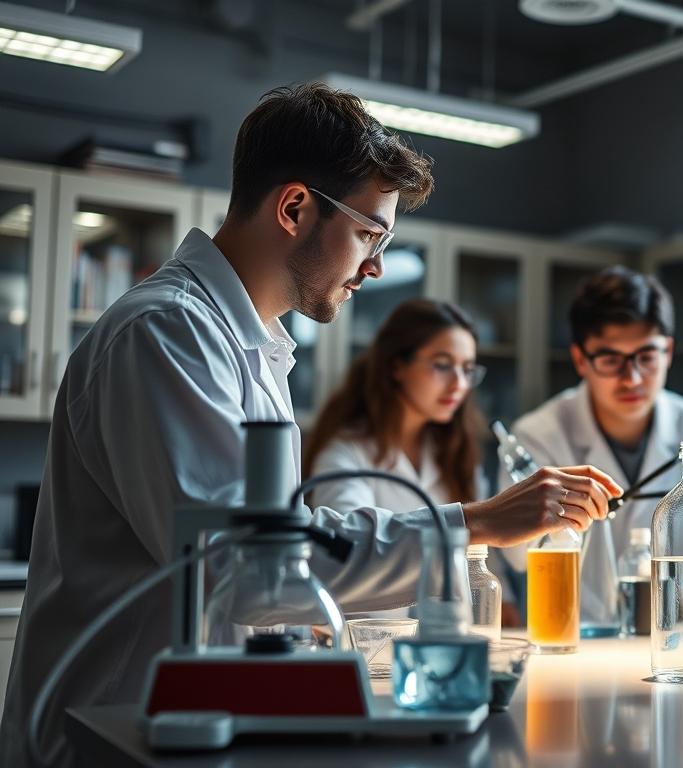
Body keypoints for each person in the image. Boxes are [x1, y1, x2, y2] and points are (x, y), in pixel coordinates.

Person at [1, 83, 620, 766]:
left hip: (192, 730)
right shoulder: (166, 333)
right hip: (109, 739)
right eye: (369, 234)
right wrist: (473, 524)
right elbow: (246, 568)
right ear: (295, 207)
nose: (375, 266)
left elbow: (265, 573)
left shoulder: (250, 345)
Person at [502, 266, 683, 622]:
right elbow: (518, 555)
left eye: (646, 357)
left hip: (682, 628)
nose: (631, 378)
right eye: (611, 360)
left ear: (668, 351)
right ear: (580, 360)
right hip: (576, 627)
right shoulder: (539, 434)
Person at [304, 298, 518, 623]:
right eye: (442, 365)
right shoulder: (346, 453)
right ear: (397, 366)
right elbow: (349, 553)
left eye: (467, 369)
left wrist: (504, 606)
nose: (459, 384)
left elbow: (484, 553)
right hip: (372, 639)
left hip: (448, 634)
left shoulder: (454, 451)